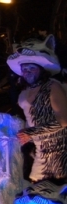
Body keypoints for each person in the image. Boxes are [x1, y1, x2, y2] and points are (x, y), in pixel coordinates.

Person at [7, 34, 67, 183]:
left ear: (41, 69)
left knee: (55, 195)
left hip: (61, 153)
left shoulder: (52, 86)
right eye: (24, 69)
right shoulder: (23, 95)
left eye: (31, 68)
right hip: (41, 153)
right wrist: (27, 137)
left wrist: (31, 133)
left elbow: (64, 120)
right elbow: (31, 120)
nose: (27, 72)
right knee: (37, 191)